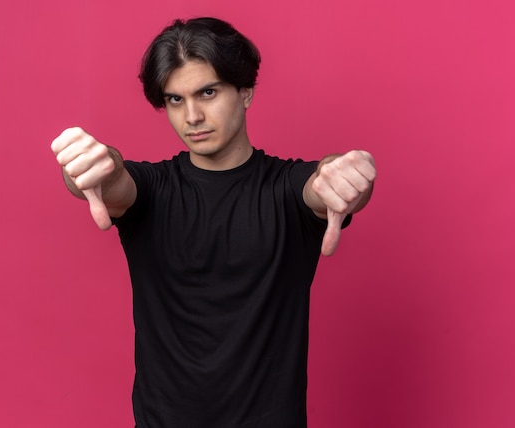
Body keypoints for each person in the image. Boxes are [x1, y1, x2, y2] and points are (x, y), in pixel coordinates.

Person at [51, 17, 376, 428]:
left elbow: (321, 185)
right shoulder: (152, 190)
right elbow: (114, 179)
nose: (192, 116)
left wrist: (346, 177)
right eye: (174, 100)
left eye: (207, 92)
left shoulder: (287, 188)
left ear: (245, 93)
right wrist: (89, 168)